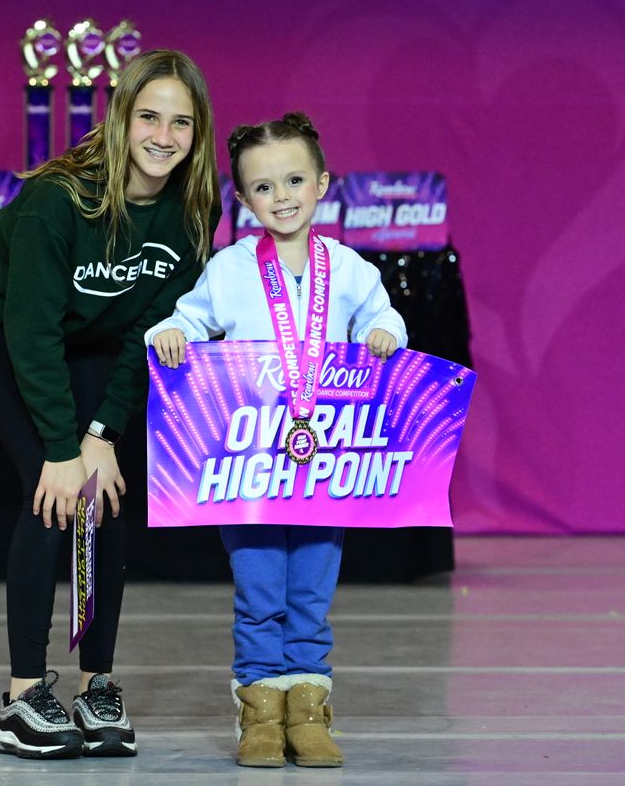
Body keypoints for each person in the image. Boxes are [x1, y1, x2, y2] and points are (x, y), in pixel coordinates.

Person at [0, 49, 220, 759]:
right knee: (52, 493)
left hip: (101, 336)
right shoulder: (59, 201)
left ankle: (97, 684)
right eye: (149, 117)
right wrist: (63, 450)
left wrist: (102, 432)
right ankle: (19, 699)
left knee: (104, 496)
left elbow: (154, 328)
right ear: (121, 118)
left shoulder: (195, 207)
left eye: (181, 123)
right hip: (4, 322)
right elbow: (32, 331)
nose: (164, 136)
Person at [147, 112, 407, 768]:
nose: (282, 196)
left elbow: (386, 320)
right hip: (250, 468)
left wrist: (384, 335)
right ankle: (260, 711)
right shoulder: (230, 269)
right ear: (243, 199)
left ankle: (309, 711)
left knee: (311, 595)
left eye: (295, 180)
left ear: (323, 184)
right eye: (264, 187)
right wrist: (172, 334)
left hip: (326, 466)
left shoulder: (348, 270)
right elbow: (187, 319)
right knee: (260, 589)